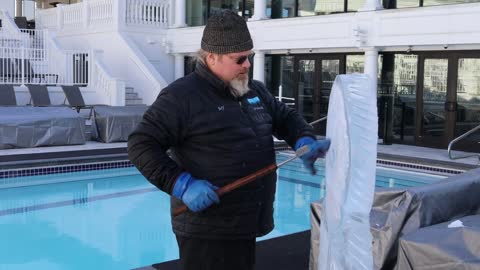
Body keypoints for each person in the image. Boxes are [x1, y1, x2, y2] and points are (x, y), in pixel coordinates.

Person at [127, 9, 330, 270]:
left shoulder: (252, 89)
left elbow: (285, 118)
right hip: (206, 229)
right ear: (212, 57)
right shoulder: (181, 97)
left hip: (244, 222)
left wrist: (303, 139)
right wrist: (181, 184)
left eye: (250, 57)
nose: (247, 64)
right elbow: (140, 144)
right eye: (240, 59)